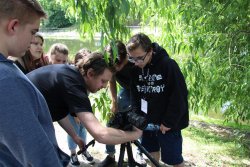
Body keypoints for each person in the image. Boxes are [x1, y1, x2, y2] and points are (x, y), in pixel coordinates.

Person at [0, 0, 69, 166]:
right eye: (33, 32)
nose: (33, 39)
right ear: (14, 26)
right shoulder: (7, 79)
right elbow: (38, 155)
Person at [26, 51, 142, 150]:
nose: (104, 86)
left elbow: (58, 111)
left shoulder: (70, 74)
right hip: (19, 115)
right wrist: (135, 135)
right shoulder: (74, 86)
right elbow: (100, 134)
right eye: (103, 81)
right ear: (90, 73)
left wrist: (75, 136)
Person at [126, 33, 189, 167]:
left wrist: (168, 122)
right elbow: (135, 95)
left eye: (139, 58)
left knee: (174, 160)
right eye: (132, 59)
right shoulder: (135, 69)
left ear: (150, 52)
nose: (136, 63)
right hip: (147, 121)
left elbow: (179, 96)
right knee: (151, 155)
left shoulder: (168, 65)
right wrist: (136, 117)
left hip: (167, 126)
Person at [98, 41, 146, 167]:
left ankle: (139, 152)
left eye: (118, 64)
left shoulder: (134, 63)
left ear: (126, 57)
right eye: (112, 65)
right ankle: (110, 155)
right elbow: (112, 81)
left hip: (141, 91)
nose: (115, 68)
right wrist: (114, 102)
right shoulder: (111, 63)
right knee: (113, 118)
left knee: (140, 120)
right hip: (126, 90)